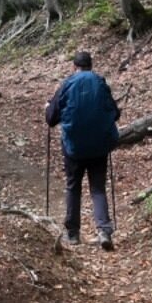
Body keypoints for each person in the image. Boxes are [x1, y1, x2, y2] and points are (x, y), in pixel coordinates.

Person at [45, 51, 121, 250]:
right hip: (99, 146)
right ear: (90, 66)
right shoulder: (100, 82)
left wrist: (48, 107)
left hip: (74, 148)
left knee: (73, 186)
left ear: (74, 66)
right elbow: (115, 113)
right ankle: (104, 230)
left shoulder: (67, 84)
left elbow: (51, 118)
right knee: (97, 188)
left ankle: (73, 233)